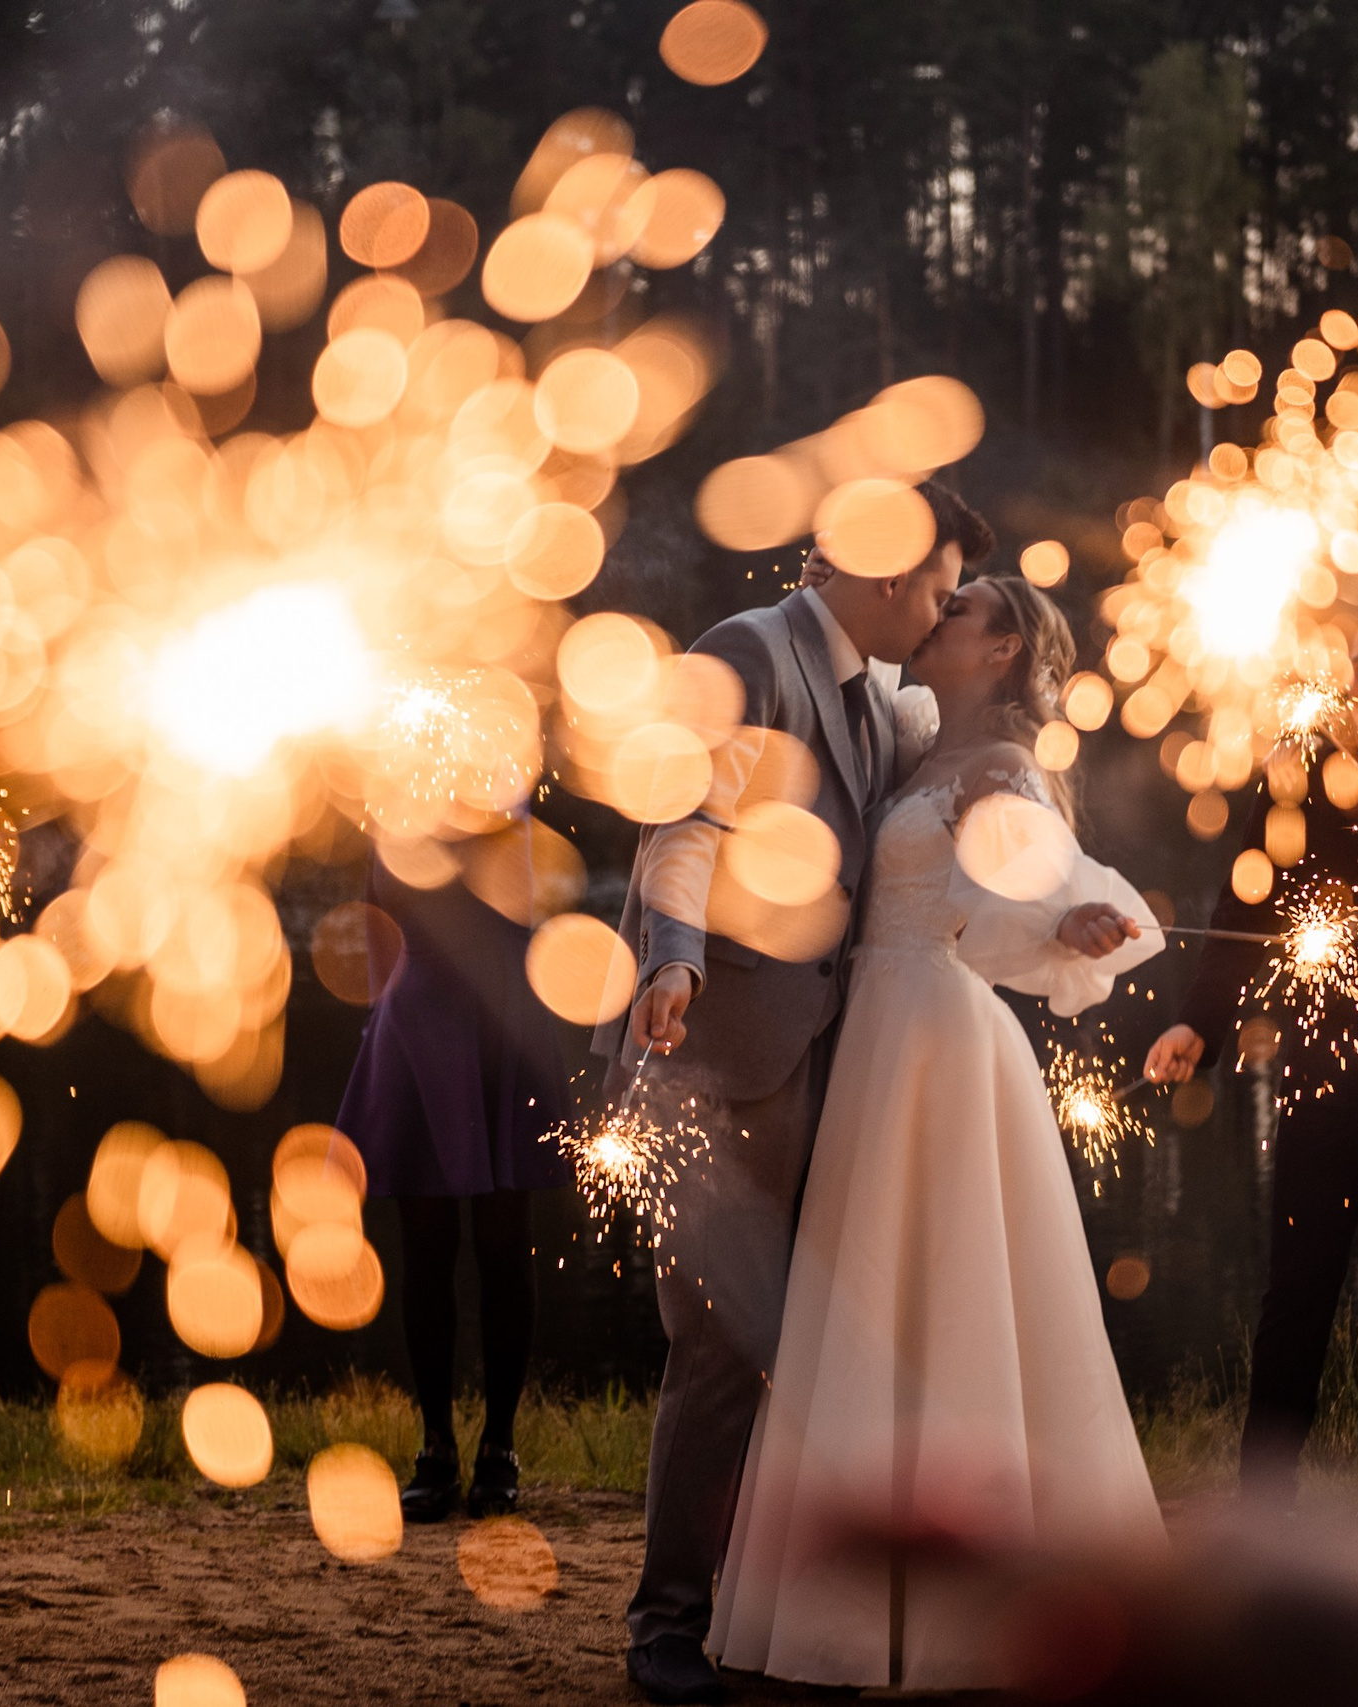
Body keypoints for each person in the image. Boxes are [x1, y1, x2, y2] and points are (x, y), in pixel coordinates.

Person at [708, 575, 1165, 1690]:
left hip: (936, 1049)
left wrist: (1072, 920)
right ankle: (845, 1596)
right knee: (859, 1290)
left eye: (957, 615)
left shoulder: (1004, 772)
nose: (933, 622)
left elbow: (1030, 892)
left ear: (1002, 649)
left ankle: (965, 1612)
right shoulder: (908, 740)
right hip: (867, 1036)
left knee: (949, 1292)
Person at [601, 481, 982, 1705]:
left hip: (826, 1060)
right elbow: (686, 819)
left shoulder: (879, 697)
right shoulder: (746, 651)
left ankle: (759, 1615)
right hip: (720, 1055)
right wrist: (674, 952)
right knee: (718, 1344)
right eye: (934, 586)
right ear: (881, 570)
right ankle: (665, 1626)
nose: (938, 612)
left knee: (802, 1341)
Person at [1145, 598, 1358, 1536]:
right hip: (1326, 1068)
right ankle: (1267, 1484)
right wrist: (1198, 1029)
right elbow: (1242, 909)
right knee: (1299, 1277)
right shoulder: (1296, 780)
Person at [332, 822, 570, 1523]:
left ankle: (499, 1445)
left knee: (503, 1240)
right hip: (417, 1016)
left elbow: (513, 894)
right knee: (426, 1244)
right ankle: (436, 1447)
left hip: (501, 1010)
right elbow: (375, 908)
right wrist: (383, 1016)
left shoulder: (504, 773)